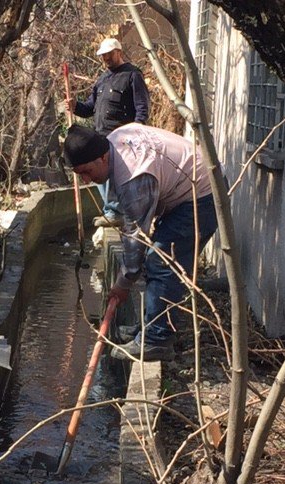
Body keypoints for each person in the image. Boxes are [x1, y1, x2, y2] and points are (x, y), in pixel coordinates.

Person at [63, 123, 219, 362]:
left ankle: (156, 341)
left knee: (163, 262)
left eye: (87, 171)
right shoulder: (116, 140)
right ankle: (151, 328)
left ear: (103, 157)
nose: (85, 179)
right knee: (160, 262)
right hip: (189, 190)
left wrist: (123, 282)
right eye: (78, 174)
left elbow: (137, 236)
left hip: (203, 196)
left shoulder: (134, 176)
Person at [66, 38, 149, 226]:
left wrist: (136, 130)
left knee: (116, 174)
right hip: (101, 136)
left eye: (109, 54)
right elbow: (89, 108)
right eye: (103, 56)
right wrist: (75, 106)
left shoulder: (132, 75)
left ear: (119, 52)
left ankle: (116, 212)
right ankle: (110, 210)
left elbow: (142, 107)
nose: (106, 59)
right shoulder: (103, 79)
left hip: (122, 136)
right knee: (100, 173)